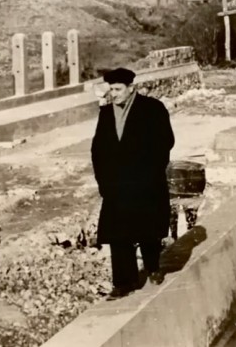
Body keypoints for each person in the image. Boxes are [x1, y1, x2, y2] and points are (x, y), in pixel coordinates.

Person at [91, 68, 175, 299]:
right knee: (119, 235)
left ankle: (153, 267)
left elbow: (165, 142)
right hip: (117, 186)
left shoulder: (152, 109)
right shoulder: (106, 113)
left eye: (118, 89)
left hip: (146, 182)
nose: (114, 94)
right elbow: (98, 149)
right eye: (111, 90)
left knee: (148, 230)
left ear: (131, 88)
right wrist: (103, 181)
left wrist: (150, 173)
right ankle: (123, 283)